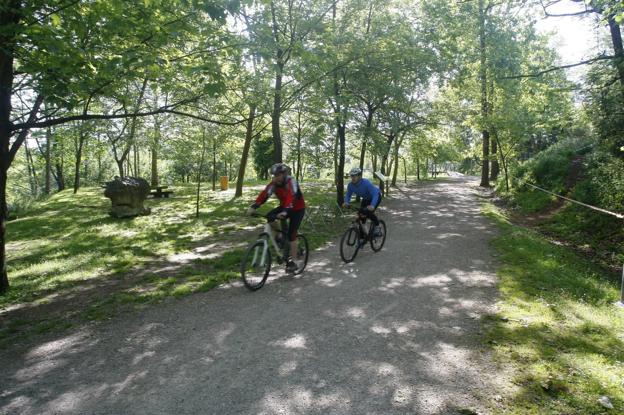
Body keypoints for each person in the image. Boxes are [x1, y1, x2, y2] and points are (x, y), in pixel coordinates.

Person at [247, 163, 306, 273]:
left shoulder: (291, 181)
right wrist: (254, 206)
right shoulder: (274, 184)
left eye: (277, 175)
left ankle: (294, 261)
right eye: (273, 176)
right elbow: (264, 194)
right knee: (270, 217)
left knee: (292, 233)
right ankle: (280, 237)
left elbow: (291, 196)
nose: (275, 178)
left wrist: (285, 212)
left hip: (297, 209)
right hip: (284, 207)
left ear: (284, 174)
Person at [342, 167, 382, 236]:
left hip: (376, 197)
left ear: (360, 176)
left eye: (355, 176)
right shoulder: (350, 185)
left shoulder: (366, 183)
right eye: (352, 176)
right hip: (366, 198)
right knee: (361, 214)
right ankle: (364, 234)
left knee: (368, 212)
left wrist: (372, 205)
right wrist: (346, 202)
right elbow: (348, 195)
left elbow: (375, 194)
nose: (353, 178)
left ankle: (377, 226)